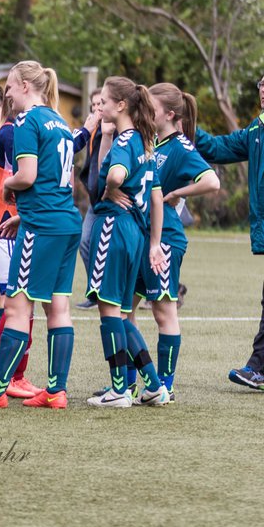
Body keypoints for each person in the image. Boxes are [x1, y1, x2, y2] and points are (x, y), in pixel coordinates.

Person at [0, 61, 80, 410]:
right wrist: (22, 214)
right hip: (65, 221)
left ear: (26, 85)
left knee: (15, 306)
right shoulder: (60, 121)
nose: (6, 93)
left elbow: (25, 176)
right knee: (58, 307)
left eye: (9, 86)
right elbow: (62, 182)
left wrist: (7, 189)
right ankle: (56, 391)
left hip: (41, 227)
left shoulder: (26, 121)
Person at [82, 76, 169, 408]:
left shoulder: (125, 141)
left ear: (121, 105)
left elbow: (115, 175)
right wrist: (154, 241)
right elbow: (157, 197)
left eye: (103, 100)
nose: (99, 105)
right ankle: (154, 386)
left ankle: (119, 390)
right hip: (134, 231)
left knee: (109, 311)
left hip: (114, 228)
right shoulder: (145, 143)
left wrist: (109, 190)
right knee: (120, 312)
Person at [134, 83, 219, 400]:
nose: (145, 112)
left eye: (151, 108)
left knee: (163, 312)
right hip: (142, 235)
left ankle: (164, 386)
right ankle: (133, 381)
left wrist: (176, 193)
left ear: (169, 114)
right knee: (123, 310)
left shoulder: (181, 146)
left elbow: (212, 181)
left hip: (166, 238)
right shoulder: (152, 142)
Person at [194, 74, 264, 391]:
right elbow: (219, 147)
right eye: (262, 86)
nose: (263, 91)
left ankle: (257, 368)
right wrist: (186, 126)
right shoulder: (256, 128)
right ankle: (257, 369)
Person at [74, 90, 107, 308]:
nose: (96, 109)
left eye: (100, 104)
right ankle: (96, 293)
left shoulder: (114, 131)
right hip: (97, 201)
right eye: (93, 105)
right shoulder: (94, 131)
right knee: (85, 243)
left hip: (112, 201)